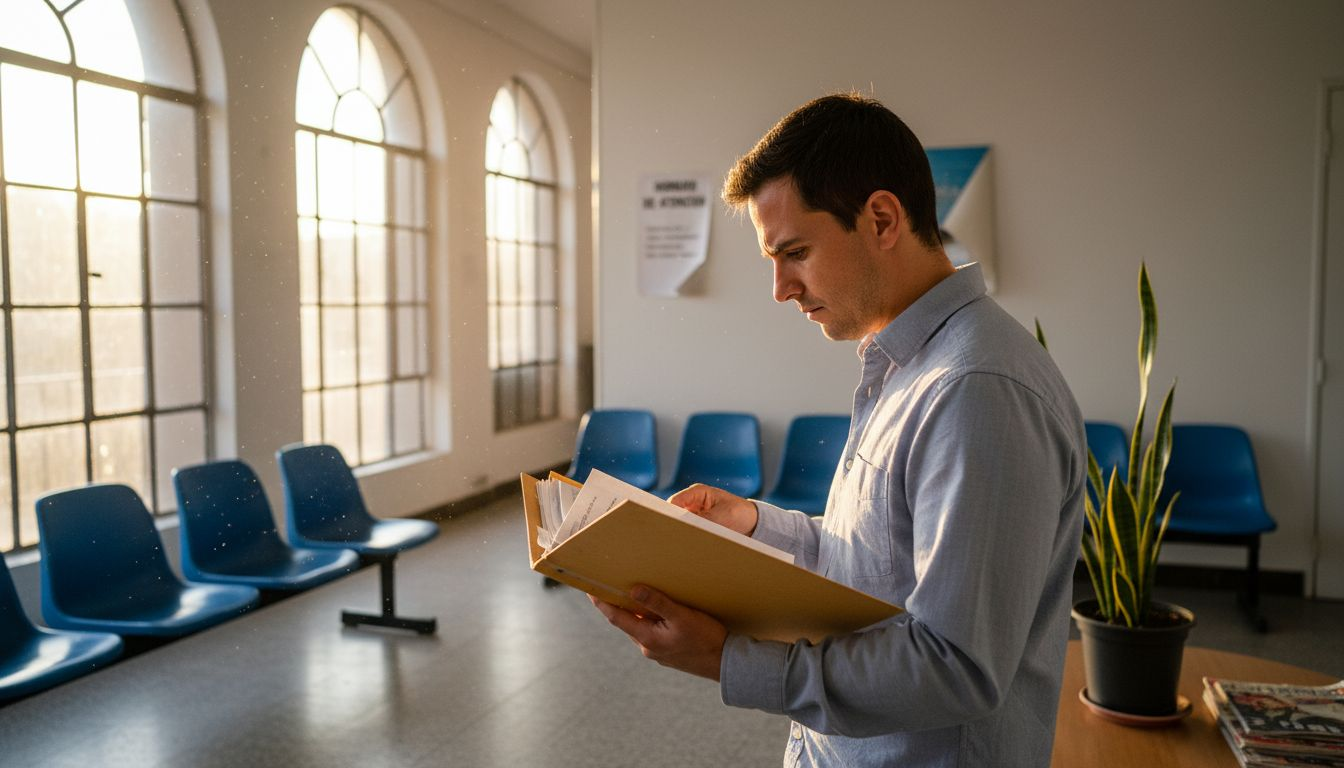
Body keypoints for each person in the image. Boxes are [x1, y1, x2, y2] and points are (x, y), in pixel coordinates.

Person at [591, 93, 1086, 767]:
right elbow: (877, 564)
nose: (780, 289)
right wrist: (754, 524)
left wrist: (731, 661)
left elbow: (955, 665)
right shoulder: (907, 363)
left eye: (794, 252)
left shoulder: (977, 392)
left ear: (881, 218)